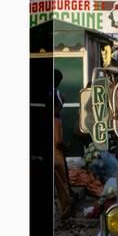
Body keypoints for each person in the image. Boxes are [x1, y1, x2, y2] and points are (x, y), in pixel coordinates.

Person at [53, 69, 72, 218]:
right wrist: (64, 146)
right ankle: (65, 209)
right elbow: (58, 141)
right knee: (61, 183)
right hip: (56, 154)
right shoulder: (56, 120)